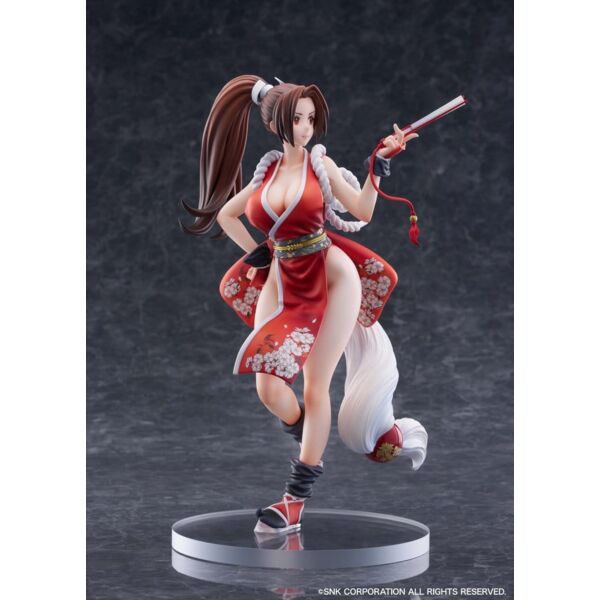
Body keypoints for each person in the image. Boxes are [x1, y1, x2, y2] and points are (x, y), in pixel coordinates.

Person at [181, 75, 428, 535]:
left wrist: (378, 165)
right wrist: (256, 251)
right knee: (268, 386)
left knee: (315, 388)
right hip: (281, 277)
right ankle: (309, 431)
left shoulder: (321, 165)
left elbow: (363, 211)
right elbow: (227, 214)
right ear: (276, 123)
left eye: (311, 119)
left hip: (331, 276)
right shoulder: (267, 173)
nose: (306, 127)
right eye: (298, 119)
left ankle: (294, 501)